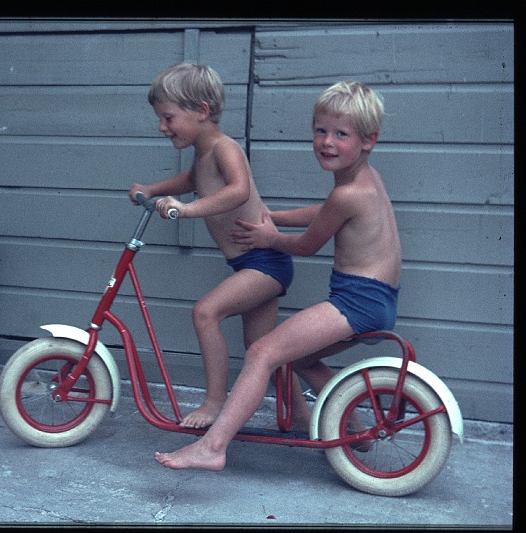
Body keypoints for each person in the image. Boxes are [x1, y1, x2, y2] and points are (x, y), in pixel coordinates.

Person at [155, 80, 401, 470]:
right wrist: (277, 216)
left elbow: (307, 245)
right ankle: (356, 431)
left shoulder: (347, 194)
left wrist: (272, 235)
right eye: (320, 131)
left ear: (368, 140)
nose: (327, 142)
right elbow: (326, 212)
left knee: (262, 351)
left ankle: (212, 448)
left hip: (358, 300)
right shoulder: (364, 183)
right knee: (299, 358)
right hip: (377, 298)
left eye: (340, 134)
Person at [129, 62, 294, 429]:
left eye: (168, 118)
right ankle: (299, 415)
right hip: (251, 263)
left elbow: (239, 190)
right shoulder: (203, 155)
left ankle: (214, 402)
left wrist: (186, 211)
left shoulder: (225, 147)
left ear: (202, 111)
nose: (162, 127)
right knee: (263, 348)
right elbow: (192, 179)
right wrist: (153, 190)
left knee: (206, 313)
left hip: (265, 261)